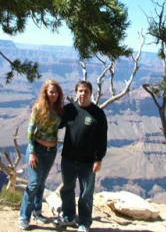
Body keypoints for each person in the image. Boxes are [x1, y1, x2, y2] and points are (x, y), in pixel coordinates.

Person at [54, 80, 108, 232]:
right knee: (67, 189)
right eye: (80, 91)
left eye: (86, 91)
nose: (83, 94)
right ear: (76, 92)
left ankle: (84, 222)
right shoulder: (70, 109)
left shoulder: (98, 113)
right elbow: (57, 124)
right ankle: (68, 216)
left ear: (91, 93)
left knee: (85, 193)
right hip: (68, 159)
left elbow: (102, 138)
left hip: (88, 162)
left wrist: (99, 159)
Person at [19, 80, 64, 230]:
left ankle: (37, 212)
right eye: (51, 91)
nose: (54, 94)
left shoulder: (59, 109)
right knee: (33, 183)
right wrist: (32, 152)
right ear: (46, 92)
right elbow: (30, 131)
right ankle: (24, 217)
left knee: (41, 183)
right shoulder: (39, 107)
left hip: (51, 152)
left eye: (56, 92)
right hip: (37, 150)